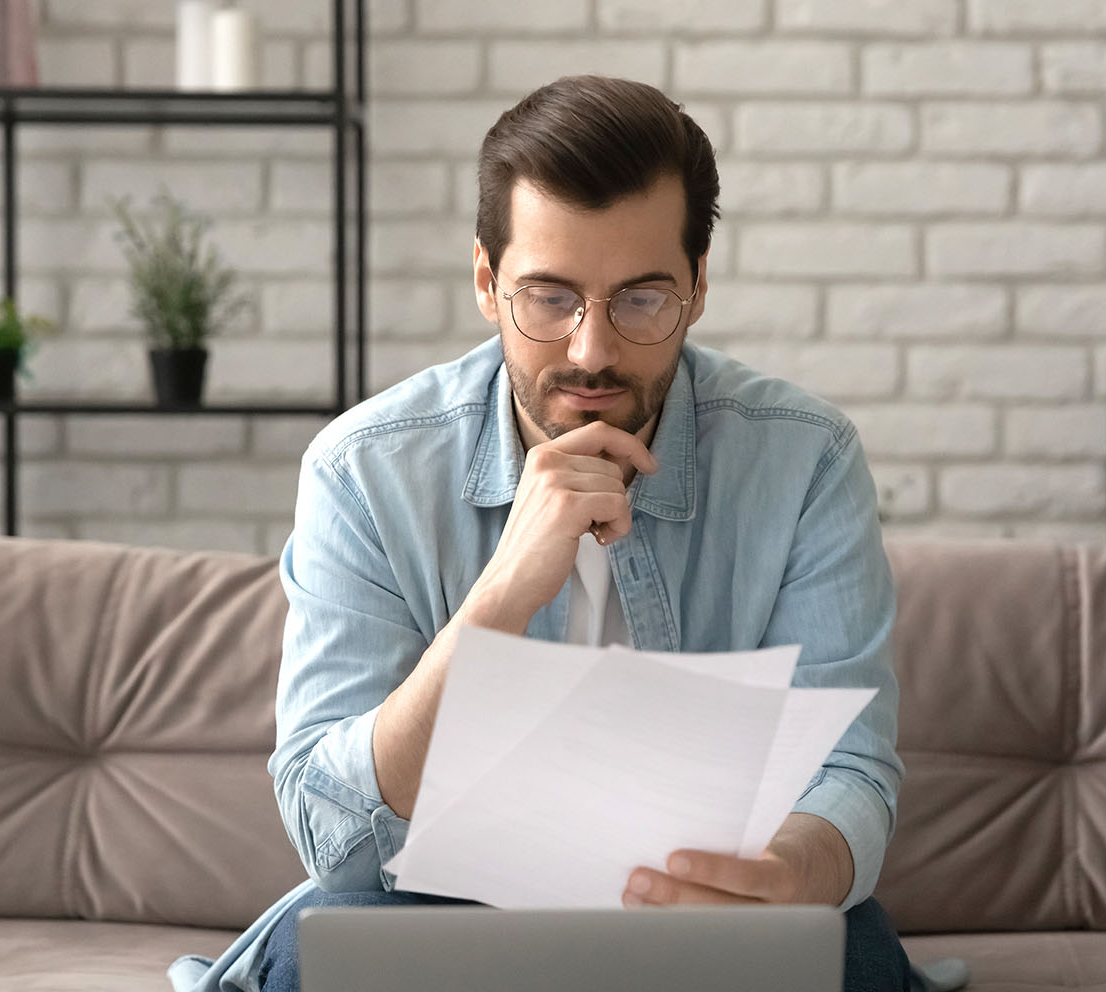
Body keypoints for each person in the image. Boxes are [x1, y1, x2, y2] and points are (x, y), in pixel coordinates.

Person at [167, 74, 909, 992]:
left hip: (706, 918)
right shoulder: (363, 471)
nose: (592, 350)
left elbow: (853, 768)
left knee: (856, 953)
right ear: (486, 280)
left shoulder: (806, 458)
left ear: (699, 285)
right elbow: (337, 840)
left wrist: (788, 875)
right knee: (316, 945)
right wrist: (502, 596)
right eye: (548, 298)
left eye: (641, 299)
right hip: (438, 914)